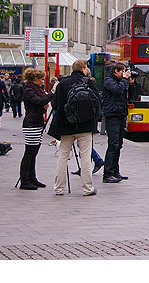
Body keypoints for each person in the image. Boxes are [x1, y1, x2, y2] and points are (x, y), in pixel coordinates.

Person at [47, 60, 100, 196]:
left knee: (63, 156)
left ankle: (59, 188)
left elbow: (56, 105)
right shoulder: (89, 82)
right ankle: (88, 188)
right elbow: (98, 103)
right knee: (86, 157)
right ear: (83, 69)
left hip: (66, 125)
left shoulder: (62, 84)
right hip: (85, 125)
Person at [20, 68, 55, 190]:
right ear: (35, 79)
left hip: (37, 121)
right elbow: (41, 101)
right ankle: (24, 180)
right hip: (31, 123)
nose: (42, 82)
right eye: (40, 79)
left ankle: (32, 178)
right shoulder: (29, 90)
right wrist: (52, 93)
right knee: (29, 152)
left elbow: (41, 104)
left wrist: (44, 105)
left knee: (33, 152)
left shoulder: (35, 89)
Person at [102, 62, 134, 183]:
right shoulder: (108, 81)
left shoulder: (122, 82)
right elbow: (117, 90)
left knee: (118, 145)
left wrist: (131, 84)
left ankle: (115, 171)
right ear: (116, 71)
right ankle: (107, 174)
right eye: (122, 71)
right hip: (112, 115)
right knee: (113, 144)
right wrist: (125, 80)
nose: (124, 73)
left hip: (120, 114)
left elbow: (130, 95)